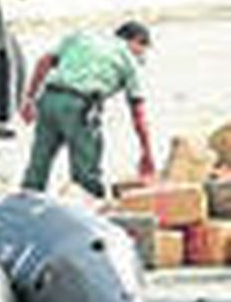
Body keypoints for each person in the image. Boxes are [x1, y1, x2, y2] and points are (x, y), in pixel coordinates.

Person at [20, 20, 156, 198]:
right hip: (79, 107)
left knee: (38, 165)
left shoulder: (81, 37)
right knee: (86, 175)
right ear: (136, 41)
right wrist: (147, 153)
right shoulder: (127, 57)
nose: (142, 57)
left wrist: (29, 99)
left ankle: (24, 207)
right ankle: (86, 217)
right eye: (142, 49)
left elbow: (44, 61)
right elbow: (138, 112)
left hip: (50, 99)